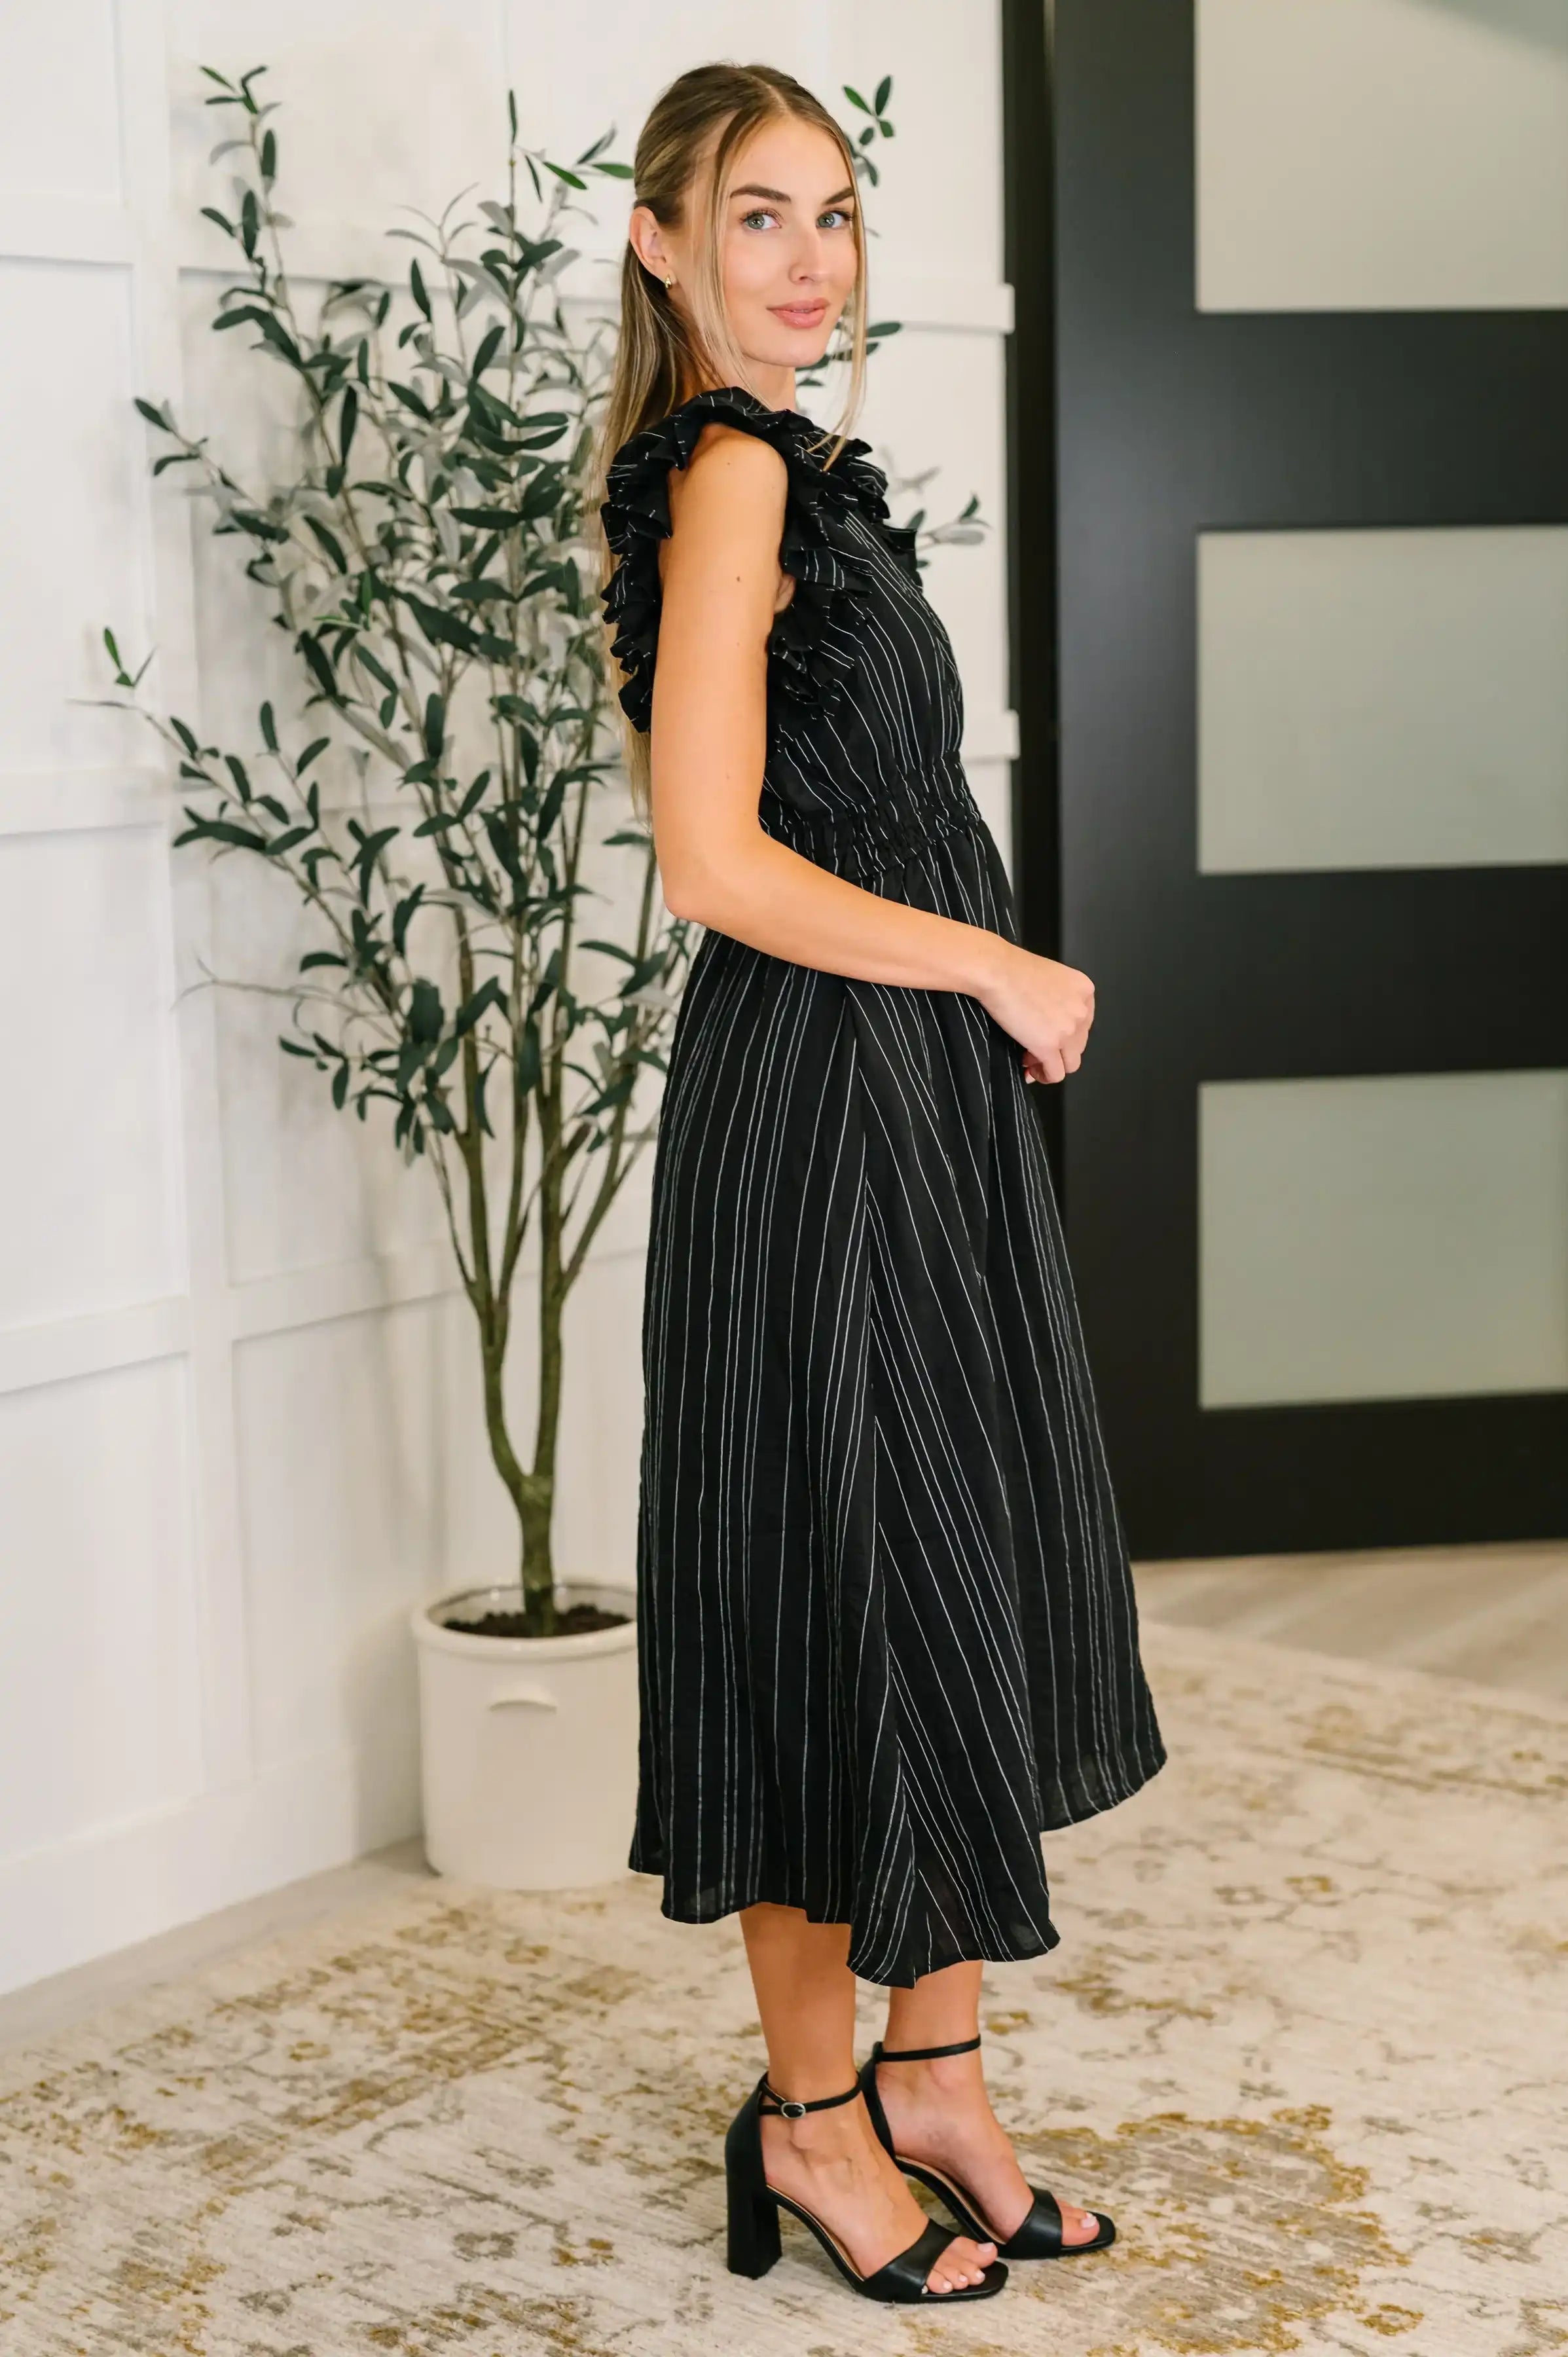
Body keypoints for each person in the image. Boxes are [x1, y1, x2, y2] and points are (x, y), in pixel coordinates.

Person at [593, 61, 1167, 2308]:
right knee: (840, 1580)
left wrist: (968, 994)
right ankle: (815, 2119)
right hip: (828, 1102)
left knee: (949, 1562)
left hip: (905, 1098)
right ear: (661, 241)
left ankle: (941, 2074)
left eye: (834, 211)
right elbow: (714, 862)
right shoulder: (726, 468)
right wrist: (997, 958)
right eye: (755, 216)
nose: (809, 257)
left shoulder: (801, 470)